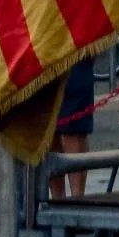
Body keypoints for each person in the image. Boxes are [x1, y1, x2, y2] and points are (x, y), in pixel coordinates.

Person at [46, 59, 95, 200]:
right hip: (44, 56)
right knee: (49, 127)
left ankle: (77, 200)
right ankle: (58, 200)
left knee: (74, 128)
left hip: (75, 56)